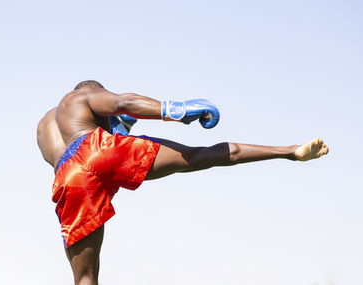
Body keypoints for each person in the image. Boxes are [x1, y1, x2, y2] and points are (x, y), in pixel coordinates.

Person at [36, 80, 329, 285]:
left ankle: (290, 153)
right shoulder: (81, 95)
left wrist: (118, 130)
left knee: (85, 277)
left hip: (67, 177)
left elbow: (77, 166)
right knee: (199, 155)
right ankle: (290, 152)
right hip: (96, 149)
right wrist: (178, 109)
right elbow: (122, 103)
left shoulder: (43, 127)